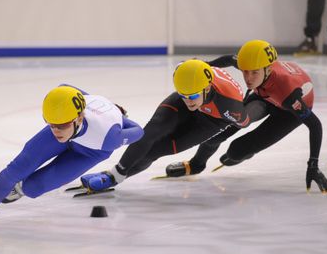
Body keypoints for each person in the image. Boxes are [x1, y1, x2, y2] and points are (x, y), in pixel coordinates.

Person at [0, 85, 144, 226]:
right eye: (50, 124)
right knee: (17, 168)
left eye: (61, 126)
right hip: (81, 129)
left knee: (34, 187)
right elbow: (65, 87)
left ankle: (20, 189)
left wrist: (122, 118)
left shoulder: (109, 136)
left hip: (90, 151)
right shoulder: (62, 121)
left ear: (79, 118)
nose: (56, 130)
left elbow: (139, 131)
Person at [167, 40, 327, 193]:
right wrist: (205, 67)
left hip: (288, 112)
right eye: (245, 72)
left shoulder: (288, 93)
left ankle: (244, 152)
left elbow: (315, 125)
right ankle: (196, 164)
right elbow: (230, 60)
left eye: (254, 73)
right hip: (265, 96)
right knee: (220, 130)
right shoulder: (254, 65)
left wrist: (313, 165)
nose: (248, 78)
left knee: (236, 151)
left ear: (268, 69)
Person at [78, 59, 257, 192]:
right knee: (151, 131)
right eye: (183, 95)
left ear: (207, 88)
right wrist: (232, 60)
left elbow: (243, 123)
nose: (188, 101)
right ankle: (115, 174)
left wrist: (222, 139)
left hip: (214, 119)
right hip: (199, 93)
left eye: (192, 97)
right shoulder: (186, 72)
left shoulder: (231, 106)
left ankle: (115, 176)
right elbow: (206, 68)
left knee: (158, 149)